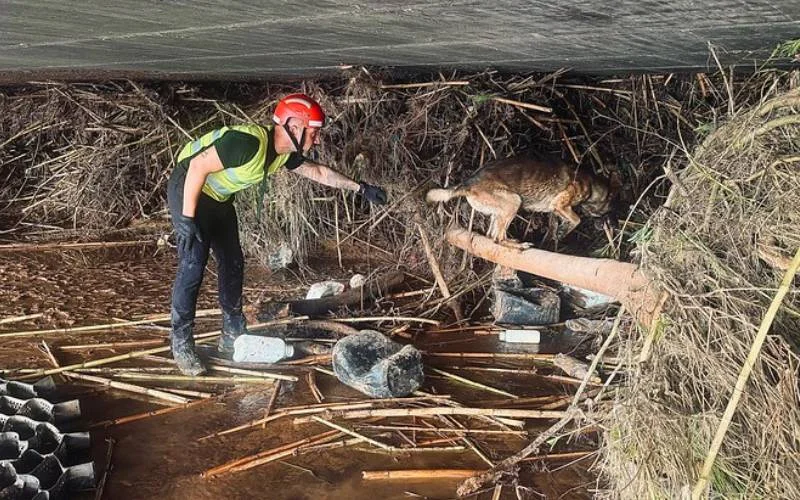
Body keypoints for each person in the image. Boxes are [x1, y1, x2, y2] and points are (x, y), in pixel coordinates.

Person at [167, 93, 387, 375]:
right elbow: (197, 167)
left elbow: (319, 172)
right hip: (188, 188)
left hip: (218, 199)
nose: (317, 140)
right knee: (193, 264)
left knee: (233, 262)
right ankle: (182, 343)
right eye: (313, 133)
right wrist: (187, 219)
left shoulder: (281, 154)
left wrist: (361, 188)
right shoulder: (245, 143)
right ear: (294, 127)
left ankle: (232, 332)